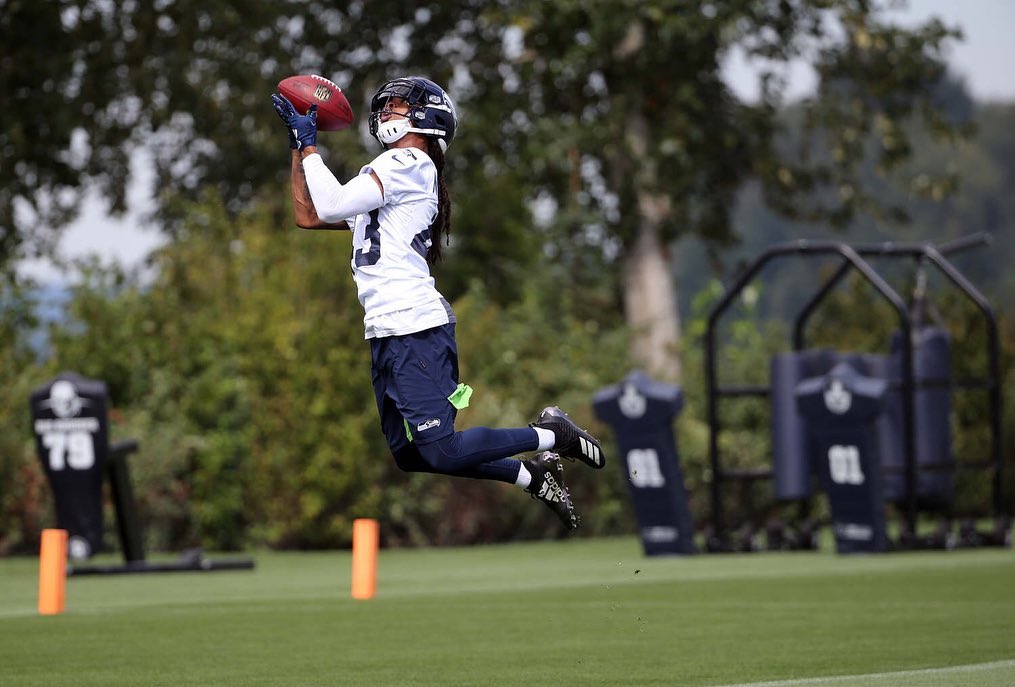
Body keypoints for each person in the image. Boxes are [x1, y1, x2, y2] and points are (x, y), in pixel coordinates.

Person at [270, 76, 605, 530]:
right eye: (385, 107)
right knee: (411, 455)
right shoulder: (393, 173)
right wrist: (297, 146)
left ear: (428, 117)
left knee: (442, 447)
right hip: (387, 330)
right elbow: (308, 215)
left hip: (413, 326)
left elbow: (329, 206)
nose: (386, 114)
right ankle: (530, 475)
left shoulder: (408, 161)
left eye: (398, 108)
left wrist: (310, 146)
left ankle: (553, 434)